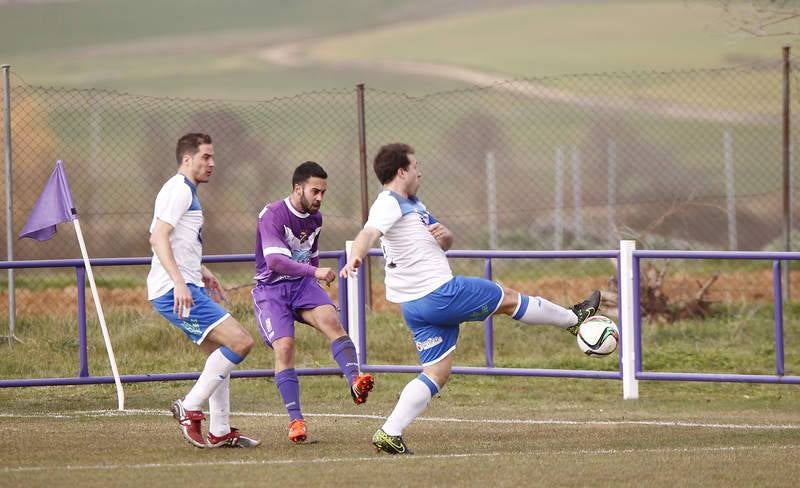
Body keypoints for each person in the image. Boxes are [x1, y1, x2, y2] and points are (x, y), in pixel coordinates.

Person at [340, 143, 601, 455]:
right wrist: (355, 256)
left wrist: (446, 237)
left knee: (437, 373)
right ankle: (575, 320)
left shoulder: (413, 205)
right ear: (401, 172)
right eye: (415, 165)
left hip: (415, 307)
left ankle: (389, 432)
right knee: (508, 298)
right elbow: (368, 233)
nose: (420, 171)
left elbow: (441, 242)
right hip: (440, 293)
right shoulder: (388, 203)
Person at [148, 133, 260, 449]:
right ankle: (190, 406)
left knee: (219, 352)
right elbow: (158, 238)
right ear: (187, 159)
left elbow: (177, 241)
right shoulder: (179, 190)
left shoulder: (182, 191)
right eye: (205, 157)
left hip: (183, 284)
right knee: (241, 342)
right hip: (174, 290)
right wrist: (181, 283)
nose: (212, 163)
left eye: (212, 157)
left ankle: (221, 429)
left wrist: (201, 271)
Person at [252, 161, 374, 444]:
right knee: (285, 347)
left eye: (323, 192)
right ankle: (296, 420)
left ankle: (355, 381)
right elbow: (275, 261)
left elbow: (311, 254)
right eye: (315, 191)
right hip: (271, 290)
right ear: (298, 188)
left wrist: (316, 280)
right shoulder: (272, 214)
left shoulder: (316, 219)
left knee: (332, 320)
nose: (320, 198)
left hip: (303, 286)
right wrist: (314, 272)